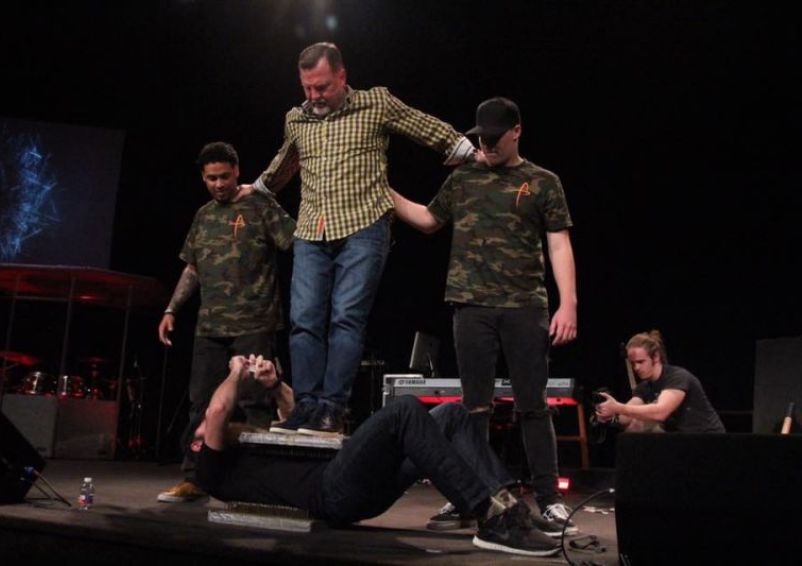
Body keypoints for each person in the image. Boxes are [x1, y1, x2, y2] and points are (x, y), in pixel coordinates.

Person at [239, 42, 481, 436]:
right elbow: (286, 160)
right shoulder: (297, 119)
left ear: (341, 76)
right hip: (312, 229)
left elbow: (424, 126)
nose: (314, 96)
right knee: (303, 321)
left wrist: (470, 153)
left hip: (363, 227)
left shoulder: (376, 103)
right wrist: (259, 188)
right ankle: (306, 405)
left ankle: (333, 407)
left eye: (321, 87)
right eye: (307, 88)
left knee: (345, 319)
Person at [390, 97, 579, 532]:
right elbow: (427, 220)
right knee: (473, 409)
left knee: (533, 406)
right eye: (482, 139)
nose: (487, 146)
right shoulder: (464, 179)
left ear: (517, 131)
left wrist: (568, 303)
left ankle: (549, 500)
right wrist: (382, 190)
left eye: (495, 138)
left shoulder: (543, 182)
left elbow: (559, 245)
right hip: (471, 306)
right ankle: (467, 495)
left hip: (524, 306)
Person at [195, 354, 562, 557]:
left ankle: (508, 507)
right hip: (332, 492)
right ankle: (488, 514)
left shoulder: (255, 444)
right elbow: (216, 413)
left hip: (356, 484)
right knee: (403, 410)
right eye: (202, 433)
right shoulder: (212, 470)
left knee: (451, 414)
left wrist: (273, 383)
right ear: (197, 445)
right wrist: (234, 371)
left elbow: (293, 415)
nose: (214, 426)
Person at [155, 142, 297, 503]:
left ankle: (256, 480)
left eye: (223, 176)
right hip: (210, 325)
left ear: (236, 170)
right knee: (200, 403)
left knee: (254, 402)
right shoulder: (203, 215)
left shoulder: (260, 205)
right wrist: (172, 309)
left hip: (255, 322)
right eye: (210, 179)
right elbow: (193, 267)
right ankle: (196, 478)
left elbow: (295, 240)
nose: (218, 184)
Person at [595, 330, 725, 433]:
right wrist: (610, 415)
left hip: (708, 441)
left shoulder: (677, 377)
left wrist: (619, 407)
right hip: (683, 443)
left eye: (640, 362)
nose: (636, 368)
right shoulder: (645, 387)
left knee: (647, 425)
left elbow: (660, 412)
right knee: (635, 426)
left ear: (656, 357)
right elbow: (627, 416)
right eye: (633, 363)